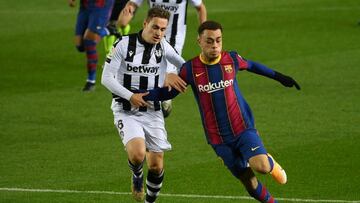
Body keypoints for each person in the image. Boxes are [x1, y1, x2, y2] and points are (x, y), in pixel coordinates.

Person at [142, 21, 301, 203]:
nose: (215, 46)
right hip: (218, 139)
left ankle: (270, 162)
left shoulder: (231, 60)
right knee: (248, 181)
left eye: (218, 40)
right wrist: (140, 96)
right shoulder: (190, 69)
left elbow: (252, 66)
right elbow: (168, 93)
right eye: (209, 41)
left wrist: (279, 77)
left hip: (243, 129)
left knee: (262, 167)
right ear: (199, 41)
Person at [101, 7, 186, 203]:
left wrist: (173, 73)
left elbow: (185, 66)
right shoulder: (123, 44)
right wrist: (130, 96)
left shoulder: (163, 46)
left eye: (163, 29)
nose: (159, 33)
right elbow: (106, 78)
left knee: (156, 165)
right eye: (155, 27)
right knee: (138, 154)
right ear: (145, 24)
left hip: (152, 110)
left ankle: (149, 201)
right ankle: (137, 175)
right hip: (125, 109)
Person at [118, 0, 207, 117]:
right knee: (149, 77)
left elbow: (200, 8)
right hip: (151, 39)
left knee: (165, 81)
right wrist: (124, 18)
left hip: (174, 41)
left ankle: (160, 105)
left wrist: (203, 33)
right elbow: (131, 7)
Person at [68, 0, 116, 91]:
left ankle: (91, 81)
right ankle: (108, 30)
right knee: (80, 45)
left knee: (89, 41)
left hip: (100, 6)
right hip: (85, 6)